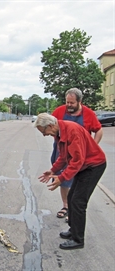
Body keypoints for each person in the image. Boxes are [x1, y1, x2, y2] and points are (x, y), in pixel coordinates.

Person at [35, 113, 106, 250]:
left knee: (78, 201)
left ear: (50, 126)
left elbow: (77, 160)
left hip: (93, 166)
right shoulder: (59, 133)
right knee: (72, 197)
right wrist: (53, 170)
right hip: (84, 166)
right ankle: (73, 230)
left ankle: (78, 239)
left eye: (43, 131)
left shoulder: (72, 131)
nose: (44, 135)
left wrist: (61, 178)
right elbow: (63, 156)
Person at [51, 88, 103, 223]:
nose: (68, 105)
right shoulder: (59, 111)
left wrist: (92, 146)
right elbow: (52, 126)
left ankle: (74, 211)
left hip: (79, 153)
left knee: (76, 180)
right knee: (63, 179)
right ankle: (66, 206)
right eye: (67, 102)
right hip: (62, 150)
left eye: (72, 103)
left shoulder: (88, 114)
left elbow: (98, 130)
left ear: (80, 101)